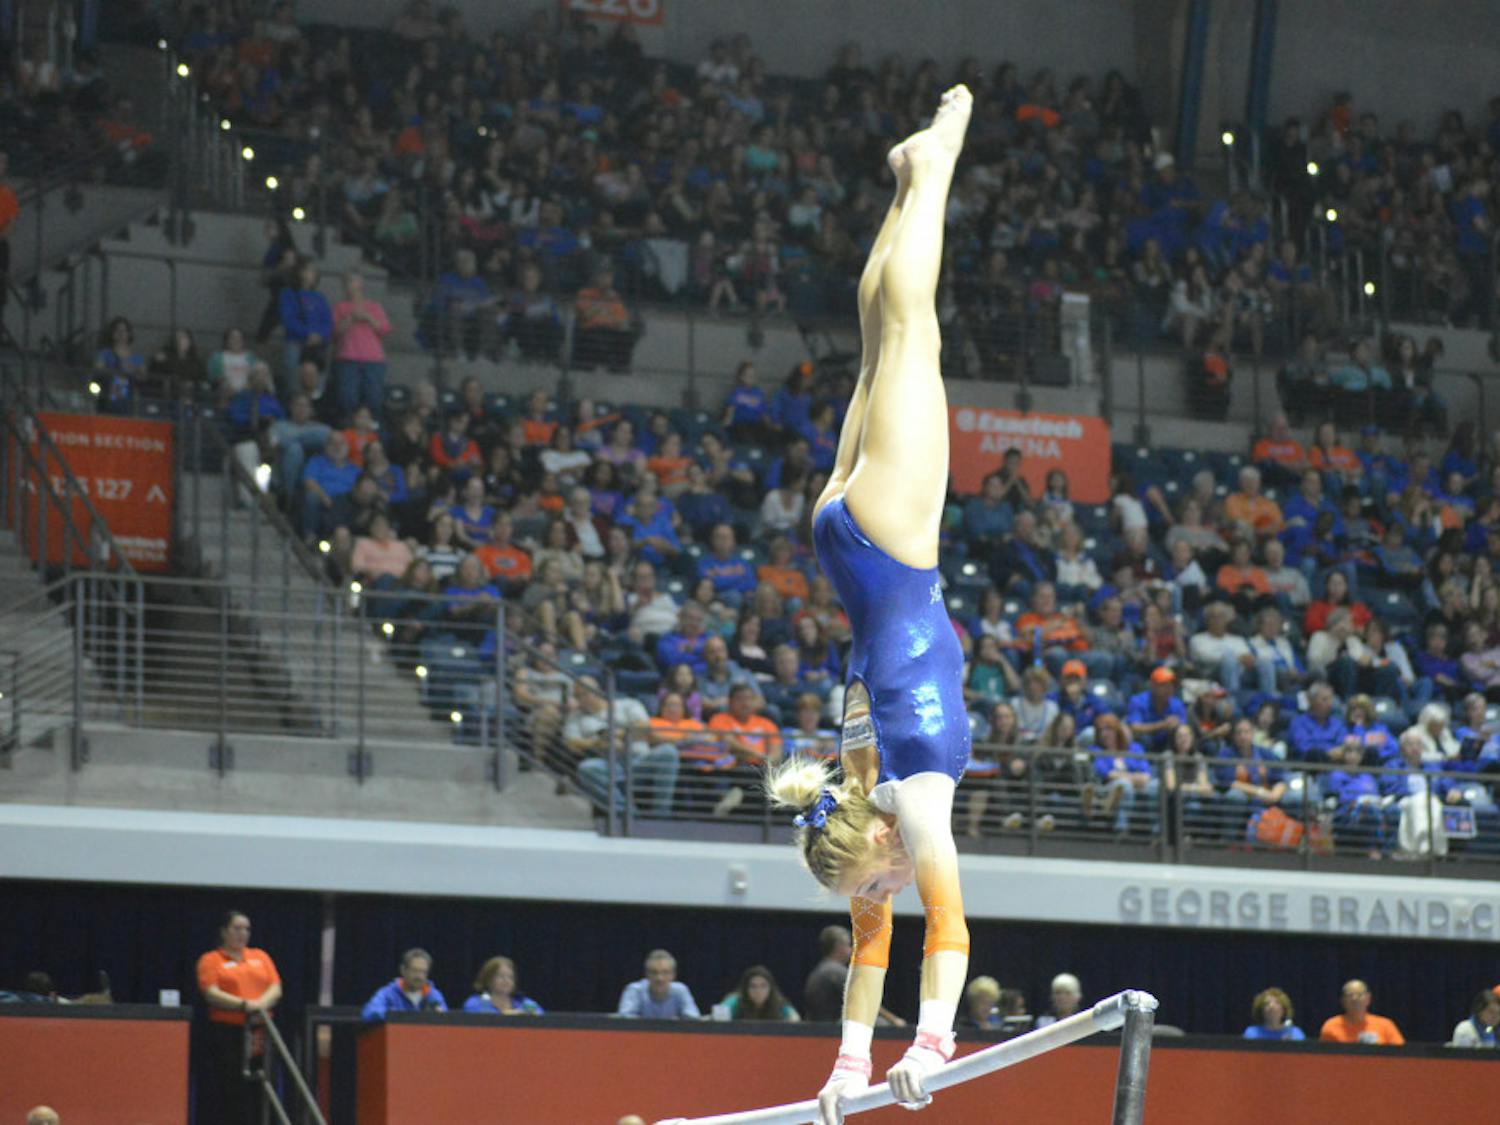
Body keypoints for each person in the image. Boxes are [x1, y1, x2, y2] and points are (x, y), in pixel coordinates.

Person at [765, 88, 976, 1120]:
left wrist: (931, 1042)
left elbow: (950, 929)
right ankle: (902, 183)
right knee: (877, 340)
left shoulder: (915, 803)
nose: (874, 904)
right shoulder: (858, 792)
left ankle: (934, 166)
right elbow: (873, 949)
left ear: (877, 851)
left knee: (912, 330)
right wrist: (847, 1069)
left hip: (893, 548)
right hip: (844, 545)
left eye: (869, 888)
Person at [195, 910, 282, 1125]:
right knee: (232, 1089)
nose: (243, 933)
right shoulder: (211, 960)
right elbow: (211, 992)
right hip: (228, 1032)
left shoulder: (260, 956)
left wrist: (260, 1004)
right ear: (224, 932)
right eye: (237, 928)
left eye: (247, 929)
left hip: (260, 1031)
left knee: (262, 1085)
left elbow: (275, 987)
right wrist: (243, 1005)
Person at [332, 271, 391, 423]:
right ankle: (348, 428)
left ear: (360, 283)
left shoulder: (374, 307)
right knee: (347, 398)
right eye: (346, 281)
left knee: (374, 398)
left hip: (373, 359)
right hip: (347, 358)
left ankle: (372, 429)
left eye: (352, 280)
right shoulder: (339, 307)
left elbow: (385, 329)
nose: (349, 285)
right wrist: (350, 318)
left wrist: (367, 317)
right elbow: (334, 332)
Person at [361, 948, 448, 1021]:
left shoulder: (434, 996)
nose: (419, 976)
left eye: (423, 972)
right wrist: (395, 1017)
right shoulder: (387, 994)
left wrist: (440, 1017)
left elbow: (447, 1020)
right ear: (403, 970)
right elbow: (370, 1013)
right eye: (415, 970)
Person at [616, 949, 700, 1019]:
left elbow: (694, 1020)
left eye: (665, 972)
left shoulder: (681, 990)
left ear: (673, 975)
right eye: (654, 972)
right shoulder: (634, 990)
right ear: (646, 974)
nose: (659, 978)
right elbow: (624, 1020)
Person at [1318, 979, 1405, 1045]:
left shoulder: (1385, 1025)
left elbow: (1400, 1054)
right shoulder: (1331, 1026)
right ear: (1342, 1001)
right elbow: (1323, 1057)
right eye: (1350, 995)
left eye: (1359, 995)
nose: (1355, 999)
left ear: (1368, 999)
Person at [463, 956, 543, 1015]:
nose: (506, 980)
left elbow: (541, 1019)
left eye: (510, 977)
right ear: (488, 979)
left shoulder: (525, 1003)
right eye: (500, 976)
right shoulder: (475, 1003)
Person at [722, 965, 800, 1021]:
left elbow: (795, 1019)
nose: (758, 991)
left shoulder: (779, 1004)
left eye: (763, 986)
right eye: (753, 986)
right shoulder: (735, 1002)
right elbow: (719, 1015)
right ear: (745, 989)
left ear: (771, 989)